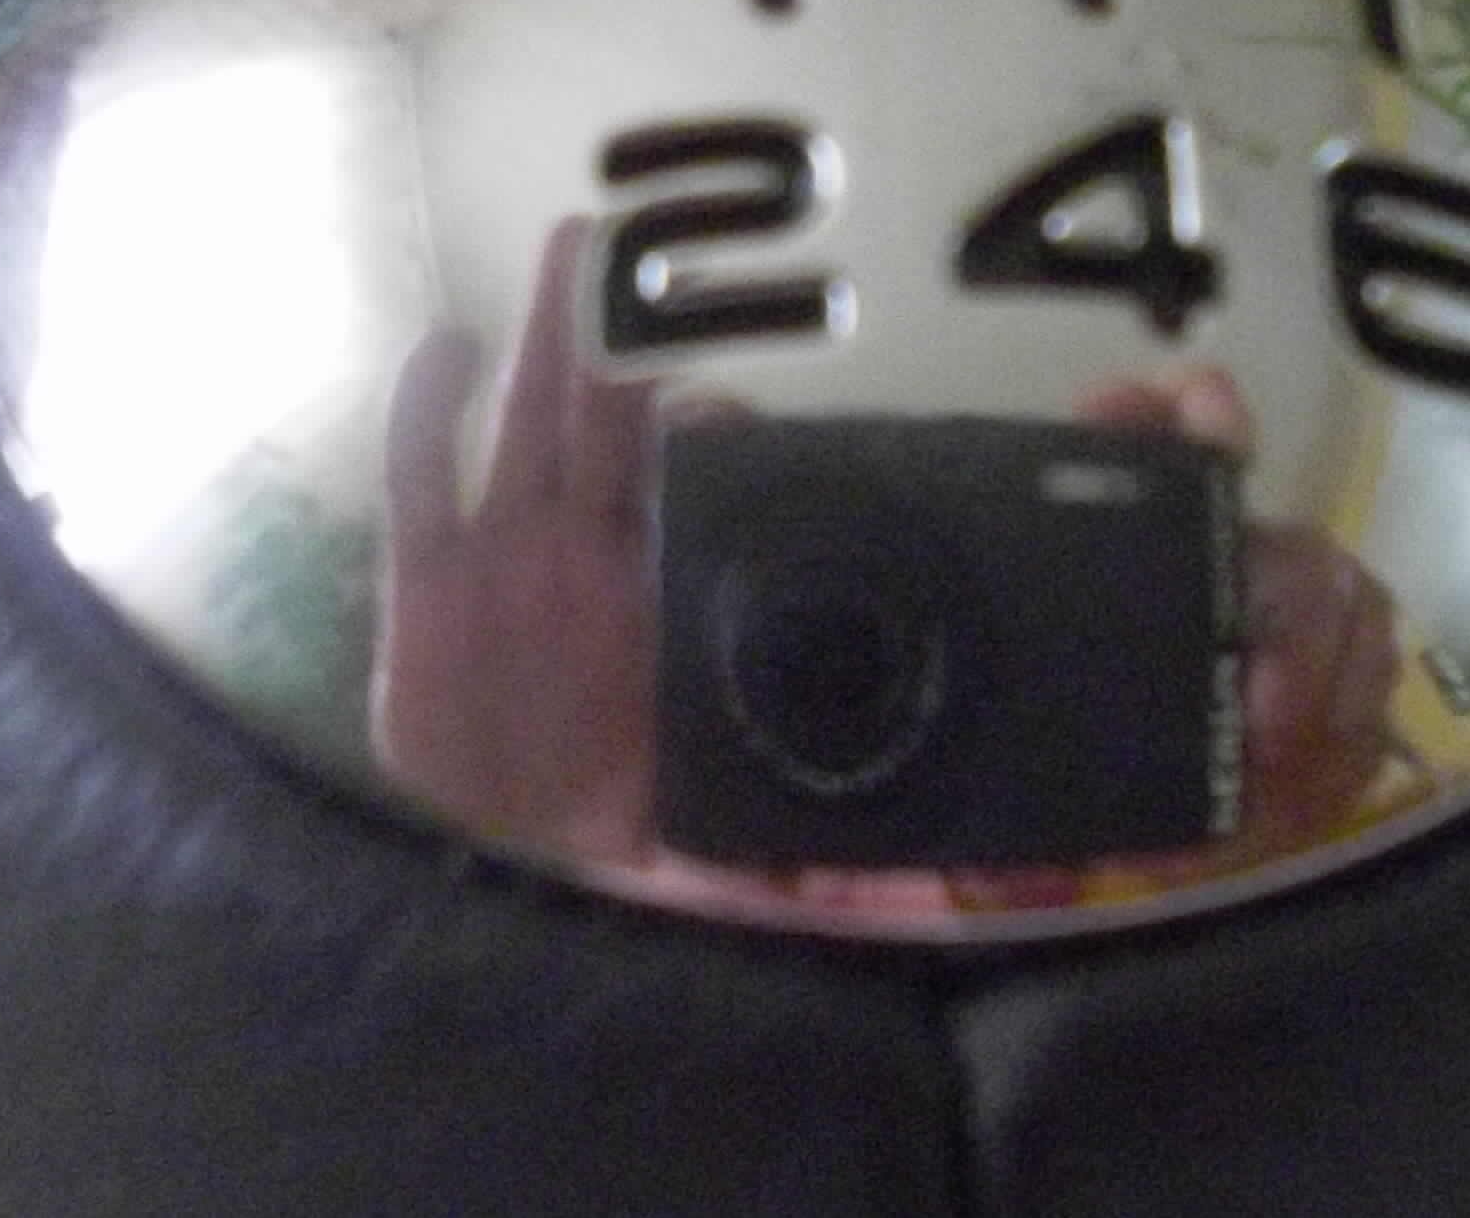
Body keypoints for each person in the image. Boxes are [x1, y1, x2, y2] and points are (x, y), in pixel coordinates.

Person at [373, 225, 1398, 914]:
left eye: (792, 533)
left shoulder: (1080, 870)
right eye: (670, 541)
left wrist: (1278, 880)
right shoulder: (632, 884)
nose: (818, 629)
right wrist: (497, 879)